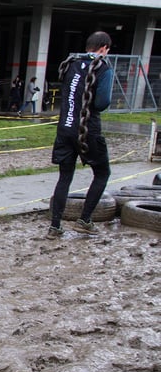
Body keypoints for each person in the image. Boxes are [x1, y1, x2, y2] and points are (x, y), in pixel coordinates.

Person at [46, 31, 113, 239]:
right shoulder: (103, 68)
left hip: (65, 129)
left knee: (65, 176)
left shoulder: (71, 64)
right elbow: (101, 103)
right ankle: (84, 220)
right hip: (87, 130)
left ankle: (55, 227)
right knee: (102, 173)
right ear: (103, 48)